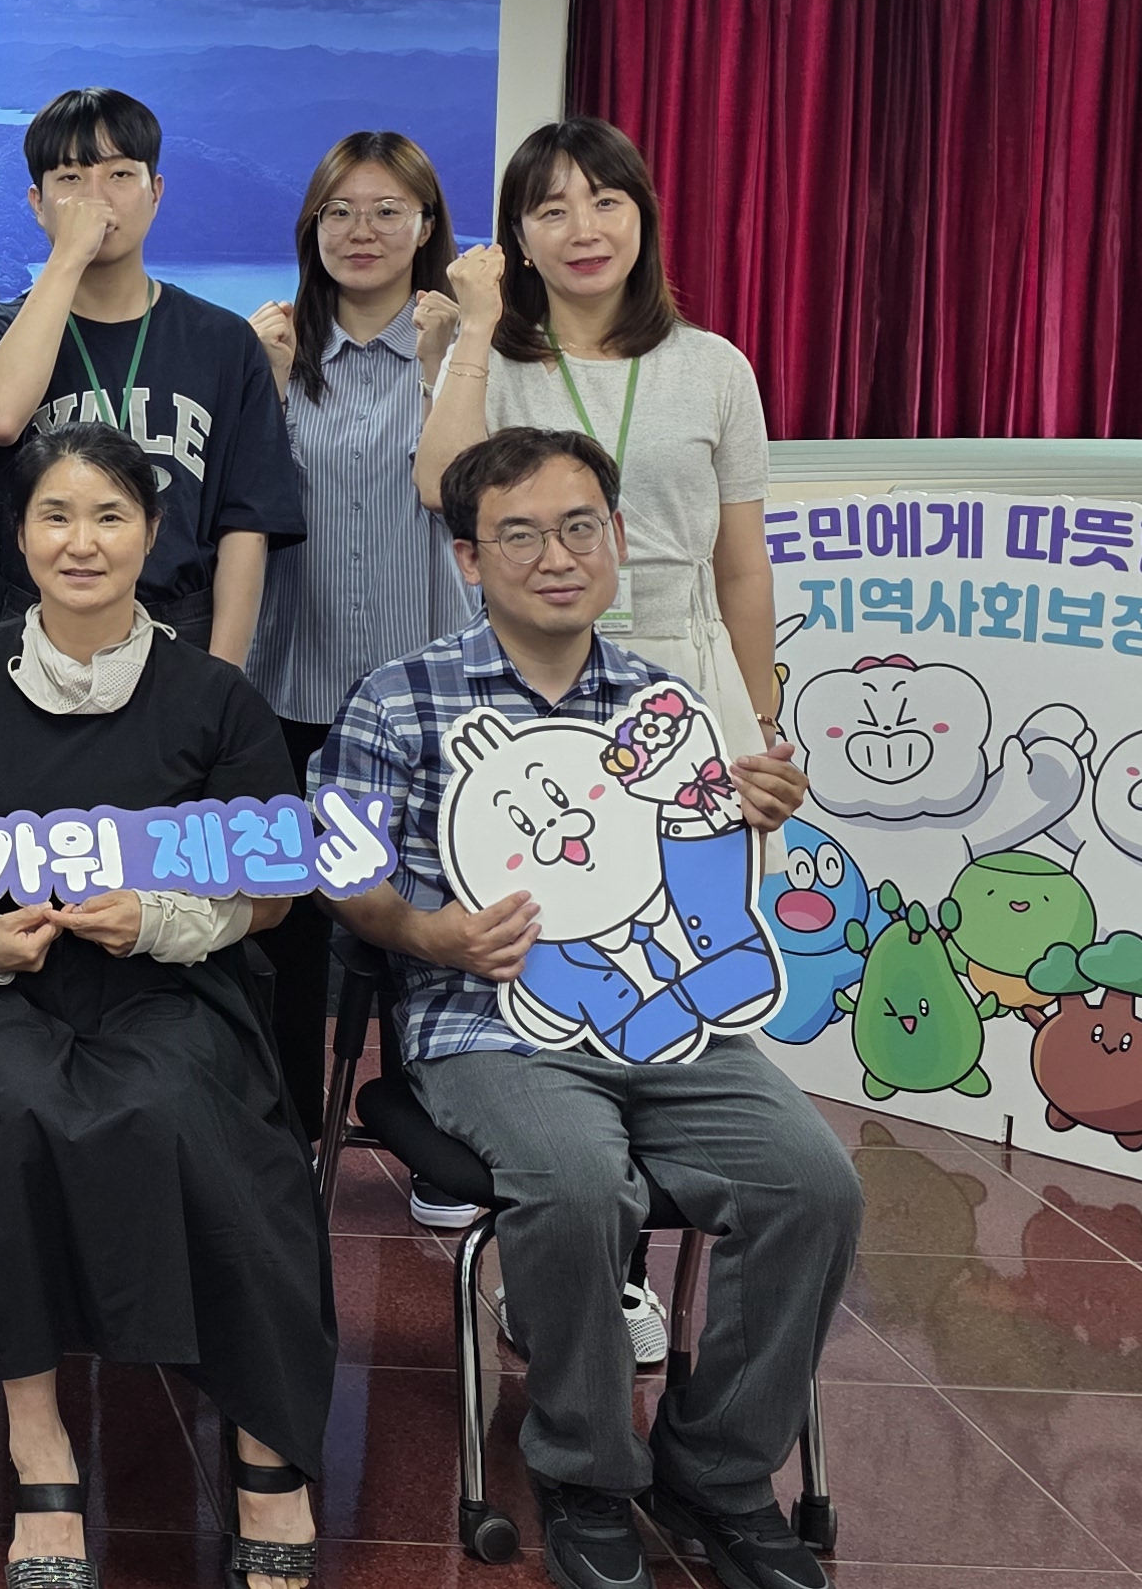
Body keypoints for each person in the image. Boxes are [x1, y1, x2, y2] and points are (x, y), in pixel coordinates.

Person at [318, 427, 850, 1589]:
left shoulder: (664, 702)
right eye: (518, 535)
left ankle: (715, 1468)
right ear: (468, 557)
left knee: (812, 1182)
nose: (555, 556)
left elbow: (696, 859)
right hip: (490, 1017)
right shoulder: (399, 697)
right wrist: (427, 931)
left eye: (578, 527)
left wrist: (747, 809)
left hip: (671, 1015)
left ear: (615, 537)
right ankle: (585, 1467)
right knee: (574, 1177)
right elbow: (341, 871)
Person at [0, 422, 328, 1589]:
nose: (82, 540)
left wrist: (162, 917)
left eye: (109, 515)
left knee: (182, 1110)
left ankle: (265, 1444)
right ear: (19, 535)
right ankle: (39, 1444)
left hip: (169, 977)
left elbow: (273, 891)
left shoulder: (213, 694)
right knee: (10, 1111)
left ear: (151, 531)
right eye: (56, 515)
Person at [241, 133, 480, 1186]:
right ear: (311, 228)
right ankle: (288, 1133)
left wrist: (443, 363)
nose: (362, 231)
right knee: (287, 928)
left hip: (431, 697)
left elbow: (459, 493)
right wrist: (265, 382)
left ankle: (442, 1143)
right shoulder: (276, 349)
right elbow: (238, 509)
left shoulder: (466, 350)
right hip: (293, 679)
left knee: (424, 920)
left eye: (388, 210)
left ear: (427, 227)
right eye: (340, 211)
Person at [413, 116, 780, 757]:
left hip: (686, 663)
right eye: (553, 211)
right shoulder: (489, 361)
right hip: (530, 668)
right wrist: (476, 326)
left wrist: (760, 715)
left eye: (606, 201)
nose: (584, 230)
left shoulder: (715, 367)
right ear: (520, 240)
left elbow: (743, 567)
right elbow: (441, 487)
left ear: (642, 217)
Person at [0, 89, 305, 660]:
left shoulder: (222, 340)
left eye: (119, 175)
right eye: (70, 179)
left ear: (155, 192)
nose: (97, 199)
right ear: (37, 203)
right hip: (34, 633)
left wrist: (222, 678)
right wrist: (67, 258)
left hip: (181, 631)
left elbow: (246, 525)